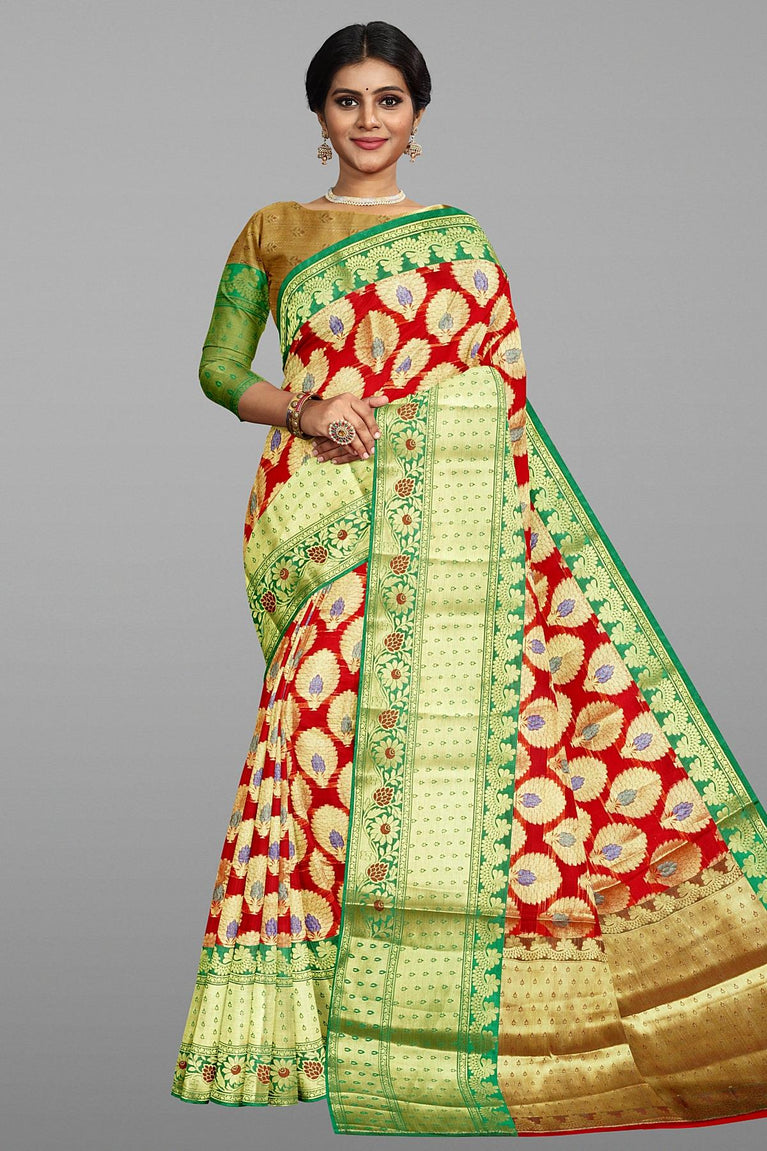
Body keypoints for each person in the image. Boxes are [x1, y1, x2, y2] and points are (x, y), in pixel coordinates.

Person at [170, 20, 767, 1138]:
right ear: (319, 116)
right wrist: (305, 407)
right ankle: (325, 1021)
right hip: (322, 519)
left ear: (418, 114)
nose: (368, 120)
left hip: (451, 518)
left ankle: (453, 1032)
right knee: (322, 747)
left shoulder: (459, 237)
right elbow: (215, 369)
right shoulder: (275, 229)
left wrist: (415, 430)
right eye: (347, 100)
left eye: (388, 99)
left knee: (462, 751)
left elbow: (498, 391)